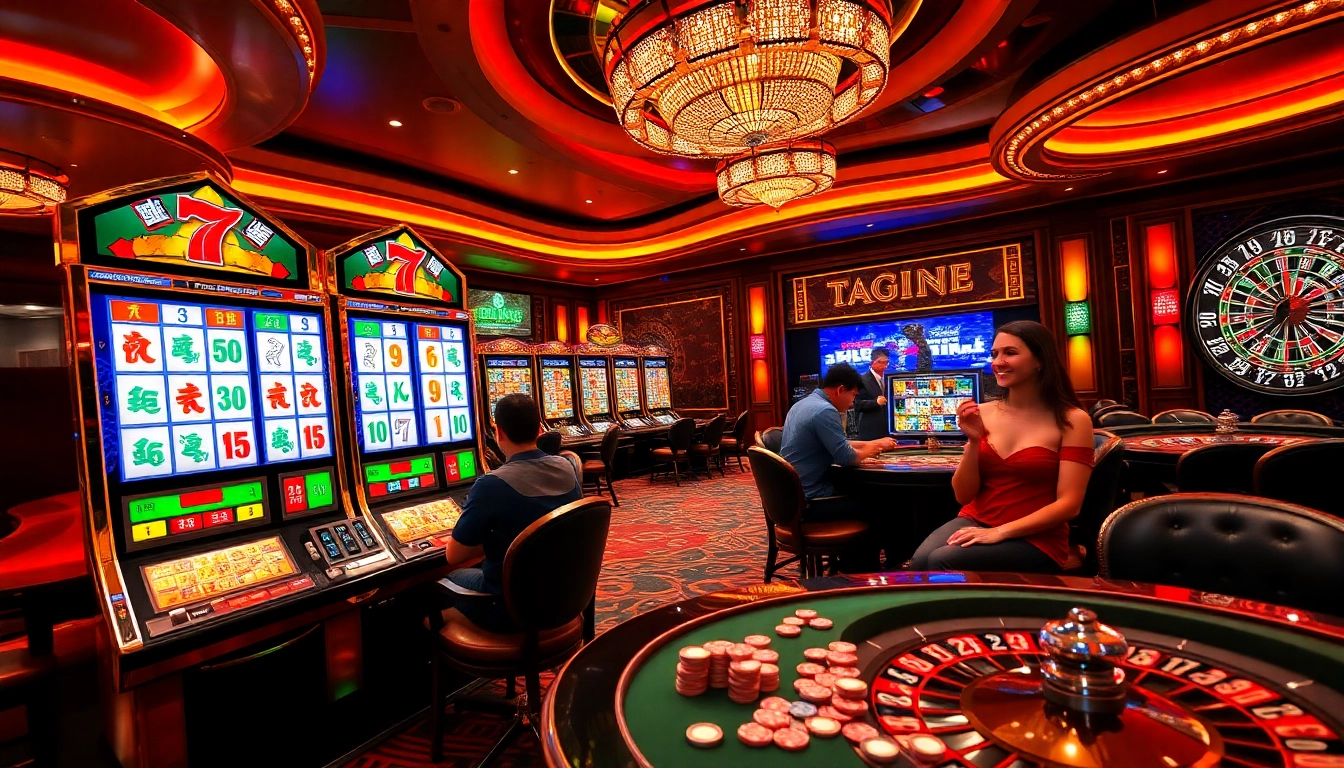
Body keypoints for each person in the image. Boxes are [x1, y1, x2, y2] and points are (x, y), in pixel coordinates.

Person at [909, 321, 1093, 573]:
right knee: (920, 562)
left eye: (1010, 353)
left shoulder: (1073, 419)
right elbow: (963, 496)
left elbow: (1070, 504)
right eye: (994, 354)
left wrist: (999, 532)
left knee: (942, 561)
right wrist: (973, 442)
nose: (997, 362)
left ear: (1040, 360)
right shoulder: (981, 412)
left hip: (1037, 535)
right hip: (978, 517)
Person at [440, 393, 583, 631]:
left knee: (442, 582)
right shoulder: (567, 467)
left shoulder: (491, 484)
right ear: (540, 429)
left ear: (499, 432)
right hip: (562, 597)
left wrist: (493, 536)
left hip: (509, 608)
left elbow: (453, 555)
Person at [780, 363, 897, 569]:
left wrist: (873, 444)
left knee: (869, 495)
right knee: (884, 503)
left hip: (790, 498)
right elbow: (846, 457)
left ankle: (852, 560)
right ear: (840, 390)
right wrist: (875, 448)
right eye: (852, 396)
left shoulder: (804, 404)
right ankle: (861, 568)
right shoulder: (825, 411)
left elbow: (837, 443)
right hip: (811, 501)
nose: (853, 403)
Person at [853, 347, 891, 440]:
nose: (884, 366)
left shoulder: (889, 378)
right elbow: (857, 405)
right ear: (872, 363)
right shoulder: (862, 380)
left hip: (888, 429)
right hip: (870, 431)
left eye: (886, 362)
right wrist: (875, 403)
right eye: (880, 362)